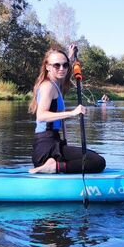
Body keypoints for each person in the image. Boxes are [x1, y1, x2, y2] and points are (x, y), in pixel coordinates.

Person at [28, 46, 106, 174]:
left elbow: (63, 70)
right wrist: (72, 113)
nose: (62, 68)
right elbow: (41, 116)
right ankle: (53, 167)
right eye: (57, 65)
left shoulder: (56, 82)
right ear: (47, 66)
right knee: (97, 162)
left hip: (54, 142)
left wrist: (71, 56)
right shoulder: (48, 86)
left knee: (92, 156)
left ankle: (55, 165)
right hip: (46, 147)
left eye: (65, 65)